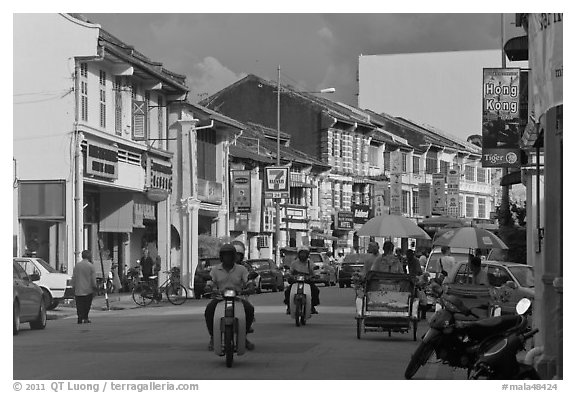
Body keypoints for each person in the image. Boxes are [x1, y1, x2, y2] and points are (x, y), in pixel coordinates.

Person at [204, 244, 255, 351]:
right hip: (220, 298)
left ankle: (243, 337)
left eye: (229, 255)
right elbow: (210, 283)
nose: (227, 258)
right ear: (221, 257)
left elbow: (248, 281)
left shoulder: (241, 269)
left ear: (234, 256)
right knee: (209, 310)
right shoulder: (215, 270)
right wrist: (209, 288)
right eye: (225, 255)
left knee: (249, 309)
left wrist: (249, 287)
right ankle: (213, 337)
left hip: (237, 297)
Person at [284, 246, 320, 314]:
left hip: (307, 282)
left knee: (315, 290)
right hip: (296, 281)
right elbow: (290, 271)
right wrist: (288, 274)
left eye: (304, 254)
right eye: (301, 254)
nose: (302, 255)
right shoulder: (294, 263)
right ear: (298, 254)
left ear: (307, 254)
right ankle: (289, 307)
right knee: (287, 291)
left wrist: (316, 275)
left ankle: (312, 306)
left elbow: (315, 270)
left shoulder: (310, 263)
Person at [71, 250, 97, 324]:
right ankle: (85, 317)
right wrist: (94, 287)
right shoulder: (91, 266)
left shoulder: (77, 265)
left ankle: (79, 317)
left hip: (78, 289)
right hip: (88, 289)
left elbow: (74, 277)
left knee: (79, 304)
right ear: (89, 256)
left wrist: (73, 285)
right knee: (87, 305)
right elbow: (93, 279)